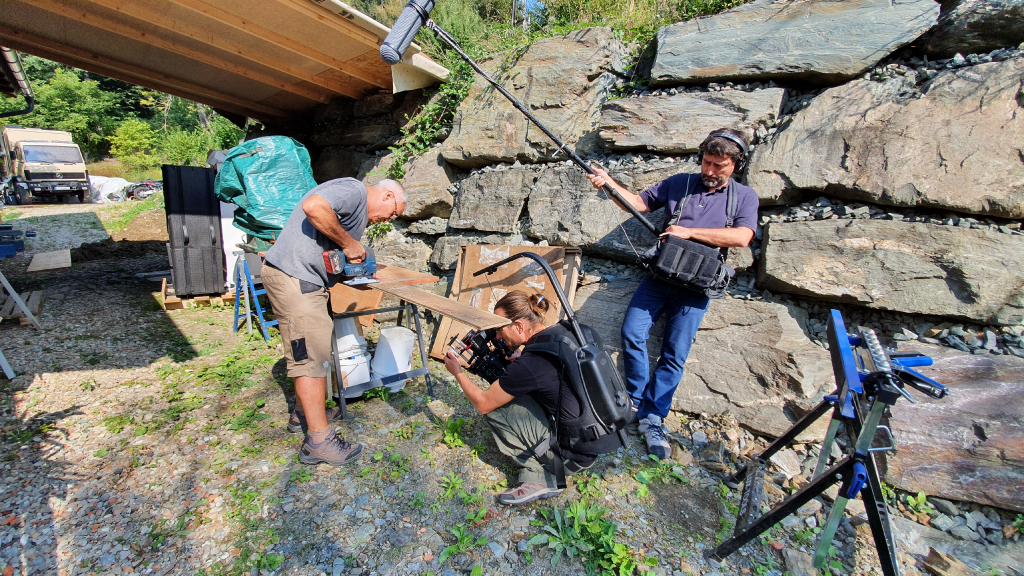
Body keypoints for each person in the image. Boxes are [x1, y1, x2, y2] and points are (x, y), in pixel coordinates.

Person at [587, 128, 759, 460]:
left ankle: (654, 417)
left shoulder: (745, 197)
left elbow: (741, 237)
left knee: (674, 354)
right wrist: (608, 184)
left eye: (718, 166)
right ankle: (635, 402)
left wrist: (688, 231)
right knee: (632, 332)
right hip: (660, 276)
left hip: (697, 286)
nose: (709, 171)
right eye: (706, 162)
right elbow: (637, 204)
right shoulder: (679, 182)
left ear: (735, 164)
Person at [262, 177, 407, 466]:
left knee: (315, 351)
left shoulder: (354, 208)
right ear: (388, 195)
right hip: (296, 277)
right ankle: (318, 442)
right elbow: (313, 207)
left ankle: (303, 415)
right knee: (310, 357)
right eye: (393, 212)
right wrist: (350, 243)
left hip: (304, 278)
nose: (388, 219)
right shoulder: (354, 190)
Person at [443, 291, 597, 506]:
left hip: (570, 458)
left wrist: (457, 372)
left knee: (497, 407)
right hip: (594, 437)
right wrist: (525, 354)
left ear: (519, 326)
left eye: (499, 328)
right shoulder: (567, 332)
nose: (497, 336)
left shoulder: (531, 365)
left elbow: (483, 403)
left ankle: (541, 476)